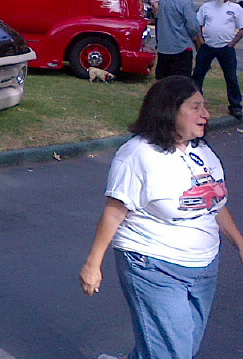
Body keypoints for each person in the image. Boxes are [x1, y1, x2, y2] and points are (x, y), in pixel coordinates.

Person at [79, 76, 243, 359]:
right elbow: (114, 212)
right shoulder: (138, 155)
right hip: (153, 265)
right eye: (195, 107)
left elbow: (214, 205)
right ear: (170, 110)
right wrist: (93, 264)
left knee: (181, 347)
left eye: (204, 106)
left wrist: (240, 243)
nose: (206, 114)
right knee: (172, 352)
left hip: (204, 267)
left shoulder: (202, 152)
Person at [192, 0, 243, 120]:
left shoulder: (235, 9)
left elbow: (241, 28)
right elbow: (197, 25)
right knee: (198, 75)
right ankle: (194, 102)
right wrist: (201, 40)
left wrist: (232, 43)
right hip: (207, 46)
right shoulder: (206, 7)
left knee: (231, 77)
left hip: (226, 48)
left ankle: (235, 105)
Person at [155, 0, 201, 79]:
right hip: (181, 47)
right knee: (181, 81)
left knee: (164, 80)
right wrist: (195, 38)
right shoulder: (185, 1)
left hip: (164, 47)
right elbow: (193, 26)